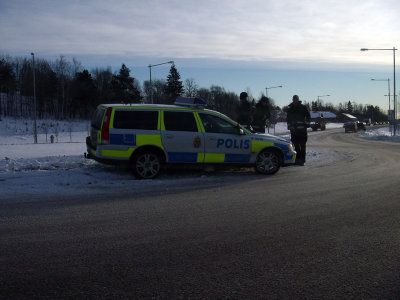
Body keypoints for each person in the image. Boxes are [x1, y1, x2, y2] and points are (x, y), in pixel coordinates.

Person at [287, 95, 311, 166]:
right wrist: (289, 125)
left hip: (302, 130)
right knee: (296, 146)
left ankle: (302, 160)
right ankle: (297, 160)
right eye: (294, 99)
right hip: (294, 131)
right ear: (292, 100)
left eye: (296, 99)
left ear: (298, 100)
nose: (295, 100)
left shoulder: (303, 107)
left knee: (302, 145)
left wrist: (307, 123)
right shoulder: (290, 108)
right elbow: (288, 118)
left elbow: (308, 116)